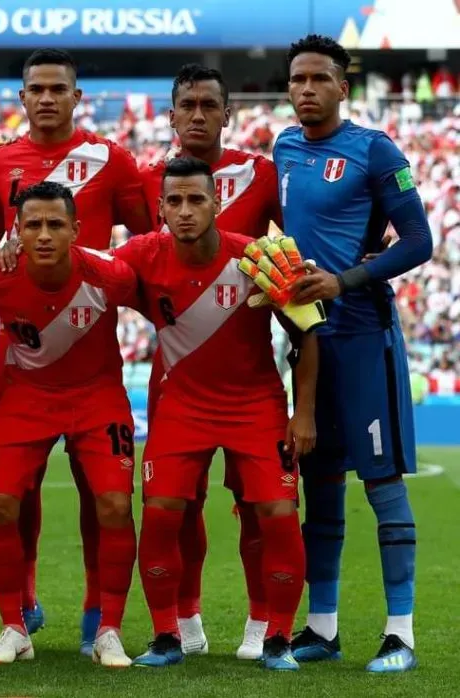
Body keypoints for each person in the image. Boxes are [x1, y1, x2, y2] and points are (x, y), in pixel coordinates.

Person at [0, 48, 153, 653]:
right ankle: (18, 612)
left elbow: (146, 236)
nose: (47, 98)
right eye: (36, 89)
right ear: (21, 98)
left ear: (78, 97)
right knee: (8, 498)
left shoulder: (112, 159)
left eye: (59, 88)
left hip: (91, 348)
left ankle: (98, 620)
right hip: (22, 363)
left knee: (101, 497)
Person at [116, 156, 313, 671]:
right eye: (174, 202)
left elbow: (308, 334)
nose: (185, 211)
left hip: (256, 407)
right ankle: (166, 637)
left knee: (277, 514)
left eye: (196, 199)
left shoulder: (258, 258)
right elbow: (89, 271)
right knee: (161, 513)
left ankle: (277, 638)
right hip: (181, 407)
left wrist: (304, 412)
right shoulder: (140, 254)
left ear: (218, 203)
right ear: (159, 208)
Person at [275, 34, 432, 673]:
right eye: (296, 80)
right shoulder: (283, 149)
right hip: (307, 342)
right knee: (320, 482)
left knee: (382, 483)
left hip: (364, 336)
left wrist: (346, 281)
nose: (306, 90)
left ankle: (401, 634)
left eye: (319, 79)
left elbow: (419, 240)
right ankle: (322, 627)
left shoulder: (374, 150)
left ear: (344, 86)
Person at [138, 64, 284, 659]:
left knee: (259, 505)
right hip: (177, 371)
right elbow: (125, 263)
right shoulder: (147, 180)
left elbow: (292, 256)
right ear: (170, 116)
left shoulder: (264, 174)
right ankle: (185, 620)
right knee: (178, 500)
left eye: (208, 105)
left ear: (229, 115)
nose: (197, 115)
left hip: (249, 371)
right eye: (186, 106)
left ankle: (261, 624)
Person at [0, 181, 139, 667]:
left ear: (76, 230)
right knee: (0, 505)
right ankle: (12, 627)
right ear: (17, 232)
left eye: (55, 225)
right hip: (26, 398)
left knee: (113, 503)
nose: (43, 235)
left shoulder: (113, 276)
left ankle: (109, 630)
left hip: (97, 399)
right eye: (33, 226)